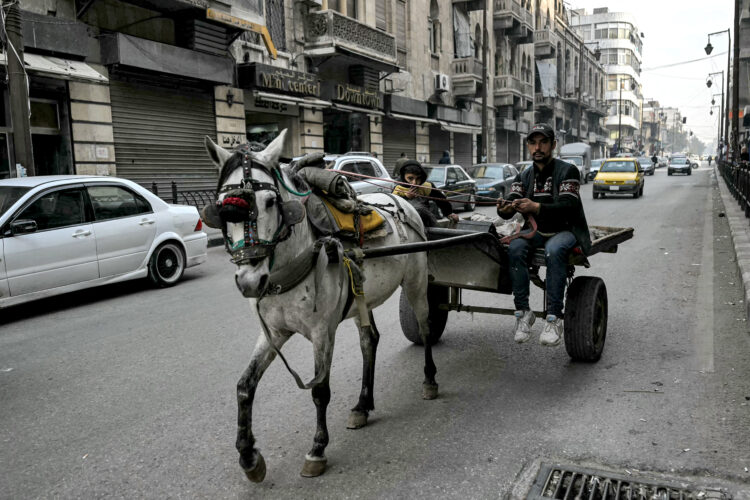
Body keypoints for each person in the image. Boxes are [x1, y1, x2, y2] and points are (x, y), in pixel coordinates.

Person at [496, 123, 591, 347]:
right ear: (528, 146)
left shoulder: (568, 170)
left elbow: (568, 205)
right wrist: (505, 208)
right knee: (516, 248)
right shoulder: (525, 175)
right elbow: (512, 199)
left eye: (543, 142)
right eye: (533, 142)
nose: (537, 147)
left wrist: (536, 207)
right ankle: (523, 312)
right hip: (536, 231)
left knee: (554, 249)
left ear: (553, 145)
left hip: (566, 230)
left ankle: (554, 317)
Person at [393, 160, 459, 227]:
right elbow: (393, 206)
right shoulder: (398, 187)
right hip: (404, 224)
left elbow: (441, 199)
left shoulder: (427, 186)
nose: (414, 183)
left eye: (418, 178)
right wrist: (407, 197)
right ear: (403, 176)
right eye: (410, 178)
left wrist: (449, 213)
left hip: (424, 223)